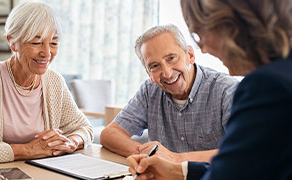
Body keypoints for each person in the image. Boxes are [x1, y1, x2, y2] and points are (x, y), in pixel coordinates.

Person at [127, 0, 292, 179]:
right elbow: (245, 164)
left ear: (231, 26)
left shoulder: (267, 86)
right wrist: (178, 171)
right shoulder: (282, 75)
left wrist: (176, 160)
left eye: (200, 34)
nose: (203, 48)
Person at [0, 1, 93, 167]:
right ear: (12, 42)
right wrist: (28, 150)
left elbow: (84, 128)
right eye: (36, 43)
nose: (47, 53)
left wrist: (71, 142)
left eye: (54, 43)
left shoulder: (54, 81)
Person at [100, 24, 239, 163]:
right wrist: (148, 154)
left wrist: (175, 159)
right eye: (154, 66)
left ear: (190, 55)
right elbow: (109, 134)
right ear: (149, 74)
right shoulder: (149, 91)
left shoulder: (227, 90)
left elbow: (244, 151)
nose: (167, 73)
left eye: (171, 58)